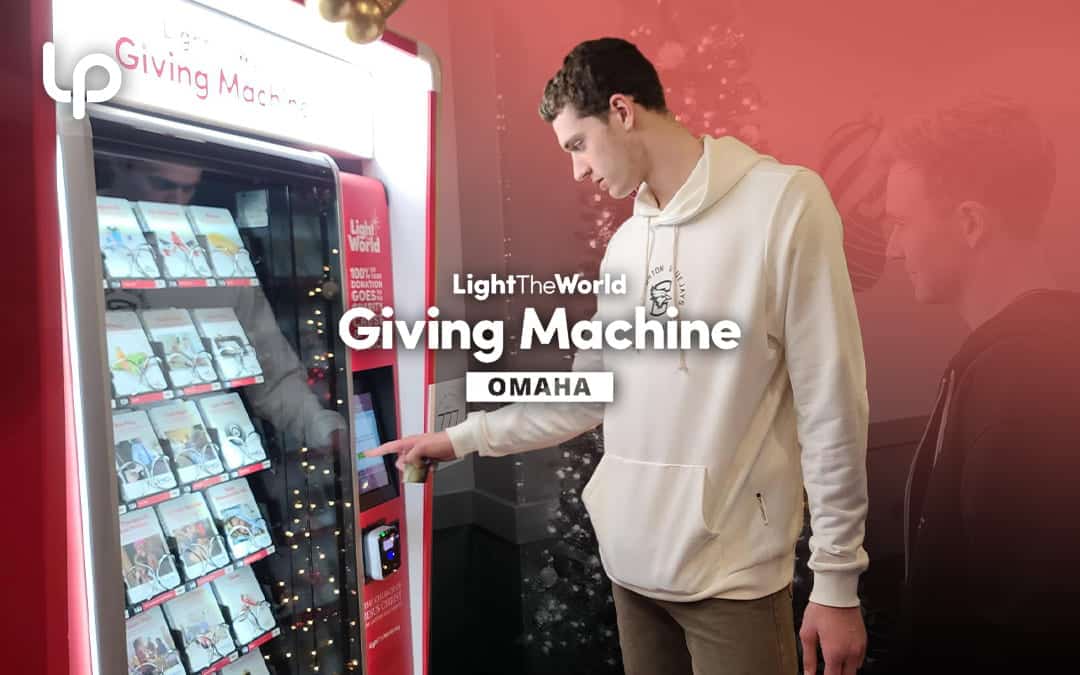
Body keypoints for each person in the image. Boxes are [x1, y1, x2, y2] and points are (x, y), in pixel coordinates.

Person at [367, 38, 870, 675]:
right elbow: (587, 394)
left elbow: (833, 404)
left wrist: (837, 581)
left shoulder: (785, 206)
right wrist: (459, 439)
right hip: (631, 569)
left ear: (623, 111)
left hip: (733, 580)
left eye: (578, 144)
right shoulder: (628, 245)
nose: (577, 170)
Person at [881, 96, 1080, 672]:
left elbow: (1032, 628)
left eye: (900, 223)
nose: (893, 248)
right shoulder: (1010, 360)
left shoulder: (1024, 380)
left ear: (969, 222)